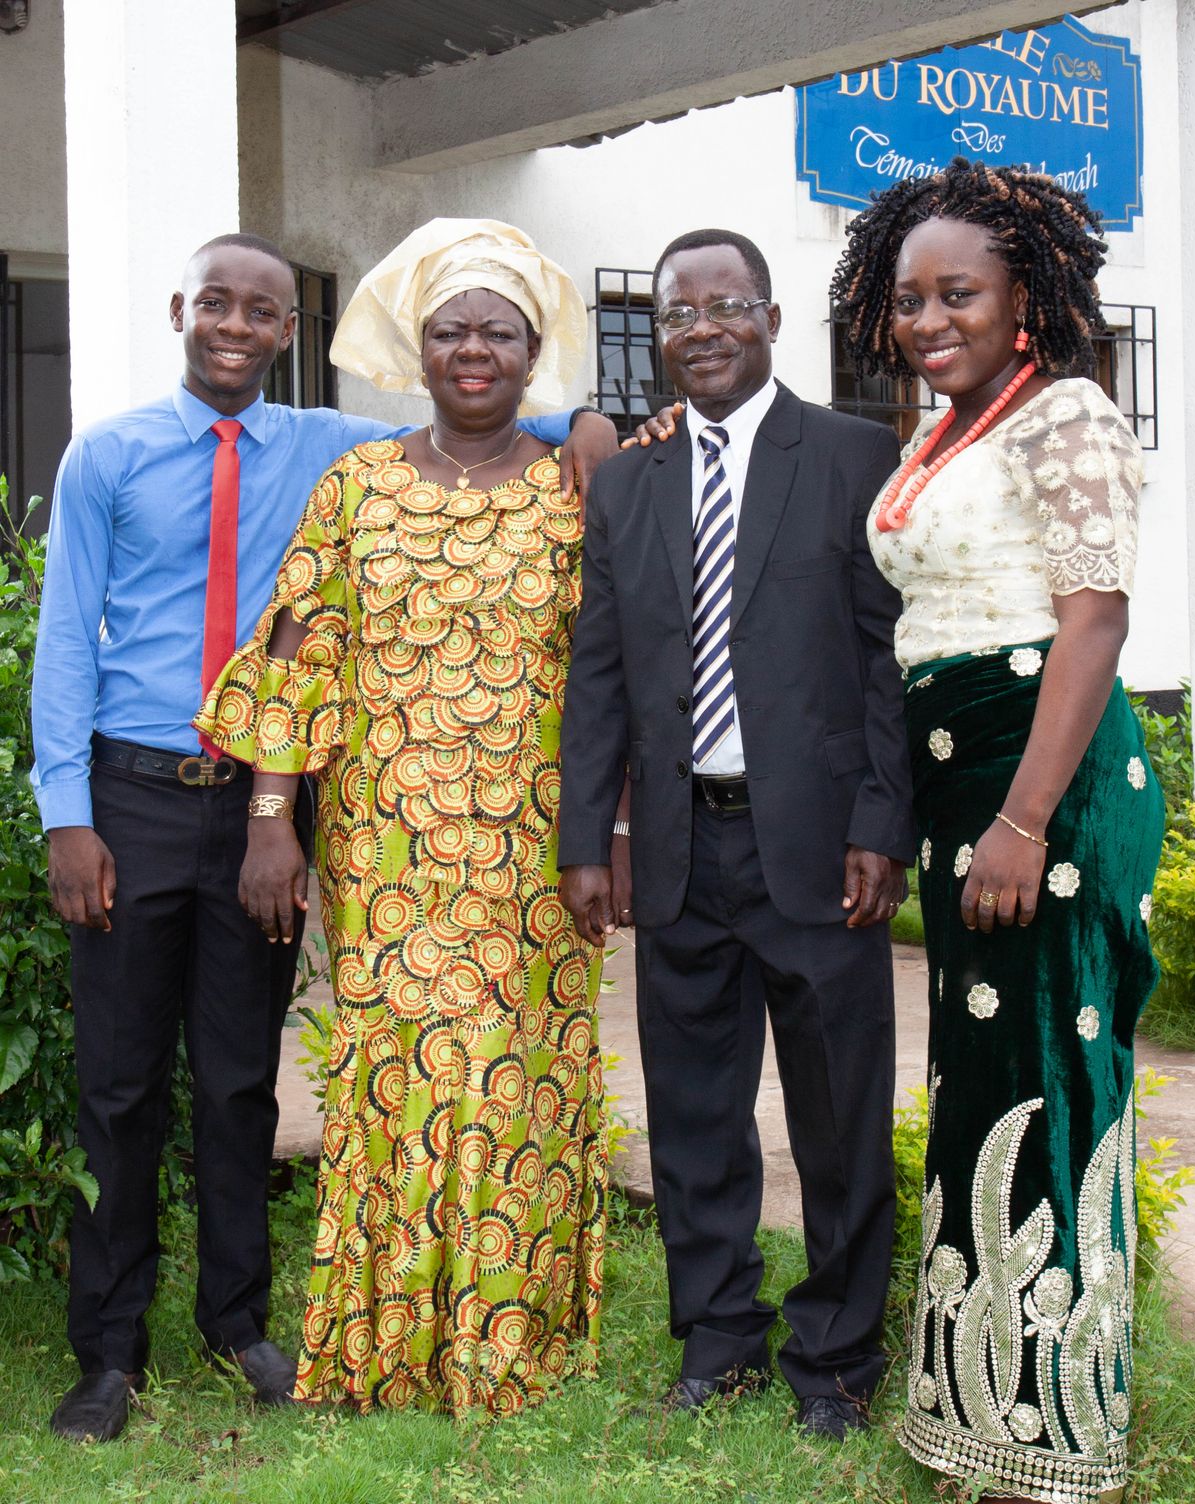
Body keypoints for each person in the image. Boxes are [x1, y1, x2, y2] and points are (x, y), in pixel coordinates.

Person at [31, 229, 617, 1443]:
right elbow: (60, 645)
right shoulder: (111, 454)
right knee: (122, 1083)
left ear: (291, 333)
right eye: (217, 306)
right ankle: (109, 1348)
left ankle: (237, 1323)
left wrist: (602, 426)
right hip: (134, 793)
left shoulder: (325, 445)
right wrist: (67, 815)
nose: (238, 327)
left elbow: (496, 425)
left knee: (244, 1079)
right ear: (179, 309)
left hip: (266, 797)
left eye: (263, 311)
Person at [195, 219, 615, 1418]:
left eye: (498, 331)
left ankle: (505, 1342)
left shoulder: (572, 486)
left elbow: (614, 670)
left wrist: (613, 832)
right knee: (394, 1074)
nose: (472, 350)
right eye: (450, 331)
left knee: (513, 1074)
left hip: (534, 842)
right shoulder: (358, 483)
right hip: (382, 844)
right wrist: (273, 811)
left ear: (533, 354)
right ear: (415, 349)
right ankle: (383, 1344)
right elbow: (299, 646)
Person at [828, 158, 1163, 1504]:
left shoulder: (1064, 416)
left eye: (956, 293)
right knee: (983, 1077)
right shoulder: (939, 434)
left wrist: (1025, 816)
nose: (926, 320)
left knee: (1055, 1075)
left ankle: (1057, 1442)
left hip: (1049, 780)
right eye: (908, 300)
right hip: (967, 781)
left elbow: (1097, 621)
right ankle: (972, 1411)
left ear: (1026, 293)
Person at [557, 227, 915, 1438]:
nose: (702, 328)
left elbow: (885, 656)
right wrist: (585, 833)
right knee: (695, 1113)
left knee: (837, 1113)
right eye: (677, 313)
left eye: (727, 306)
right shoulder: (629, 480)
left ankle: (840, 1352)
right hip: (678, 844)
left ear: (769, 318)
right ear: (656, 336)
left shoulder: (859, 453)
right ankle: (719, 1339)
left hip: (819, 844)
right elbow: (598, 669)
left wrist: (883, 816)